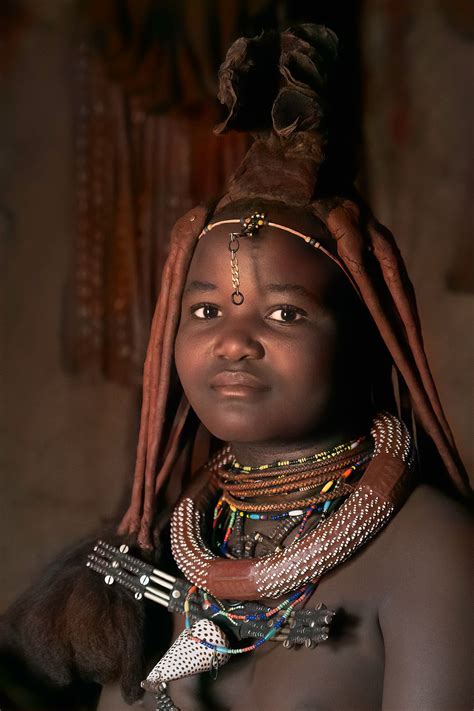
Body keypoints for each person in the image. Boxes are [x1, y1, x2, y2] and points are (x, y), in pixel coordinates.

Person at [1, 23, 471, 711]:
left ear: (364, 337)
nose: (233, 342)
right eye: (205, 312)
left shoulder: (436, 551)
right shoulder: (167, 548)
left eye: (284, 314)